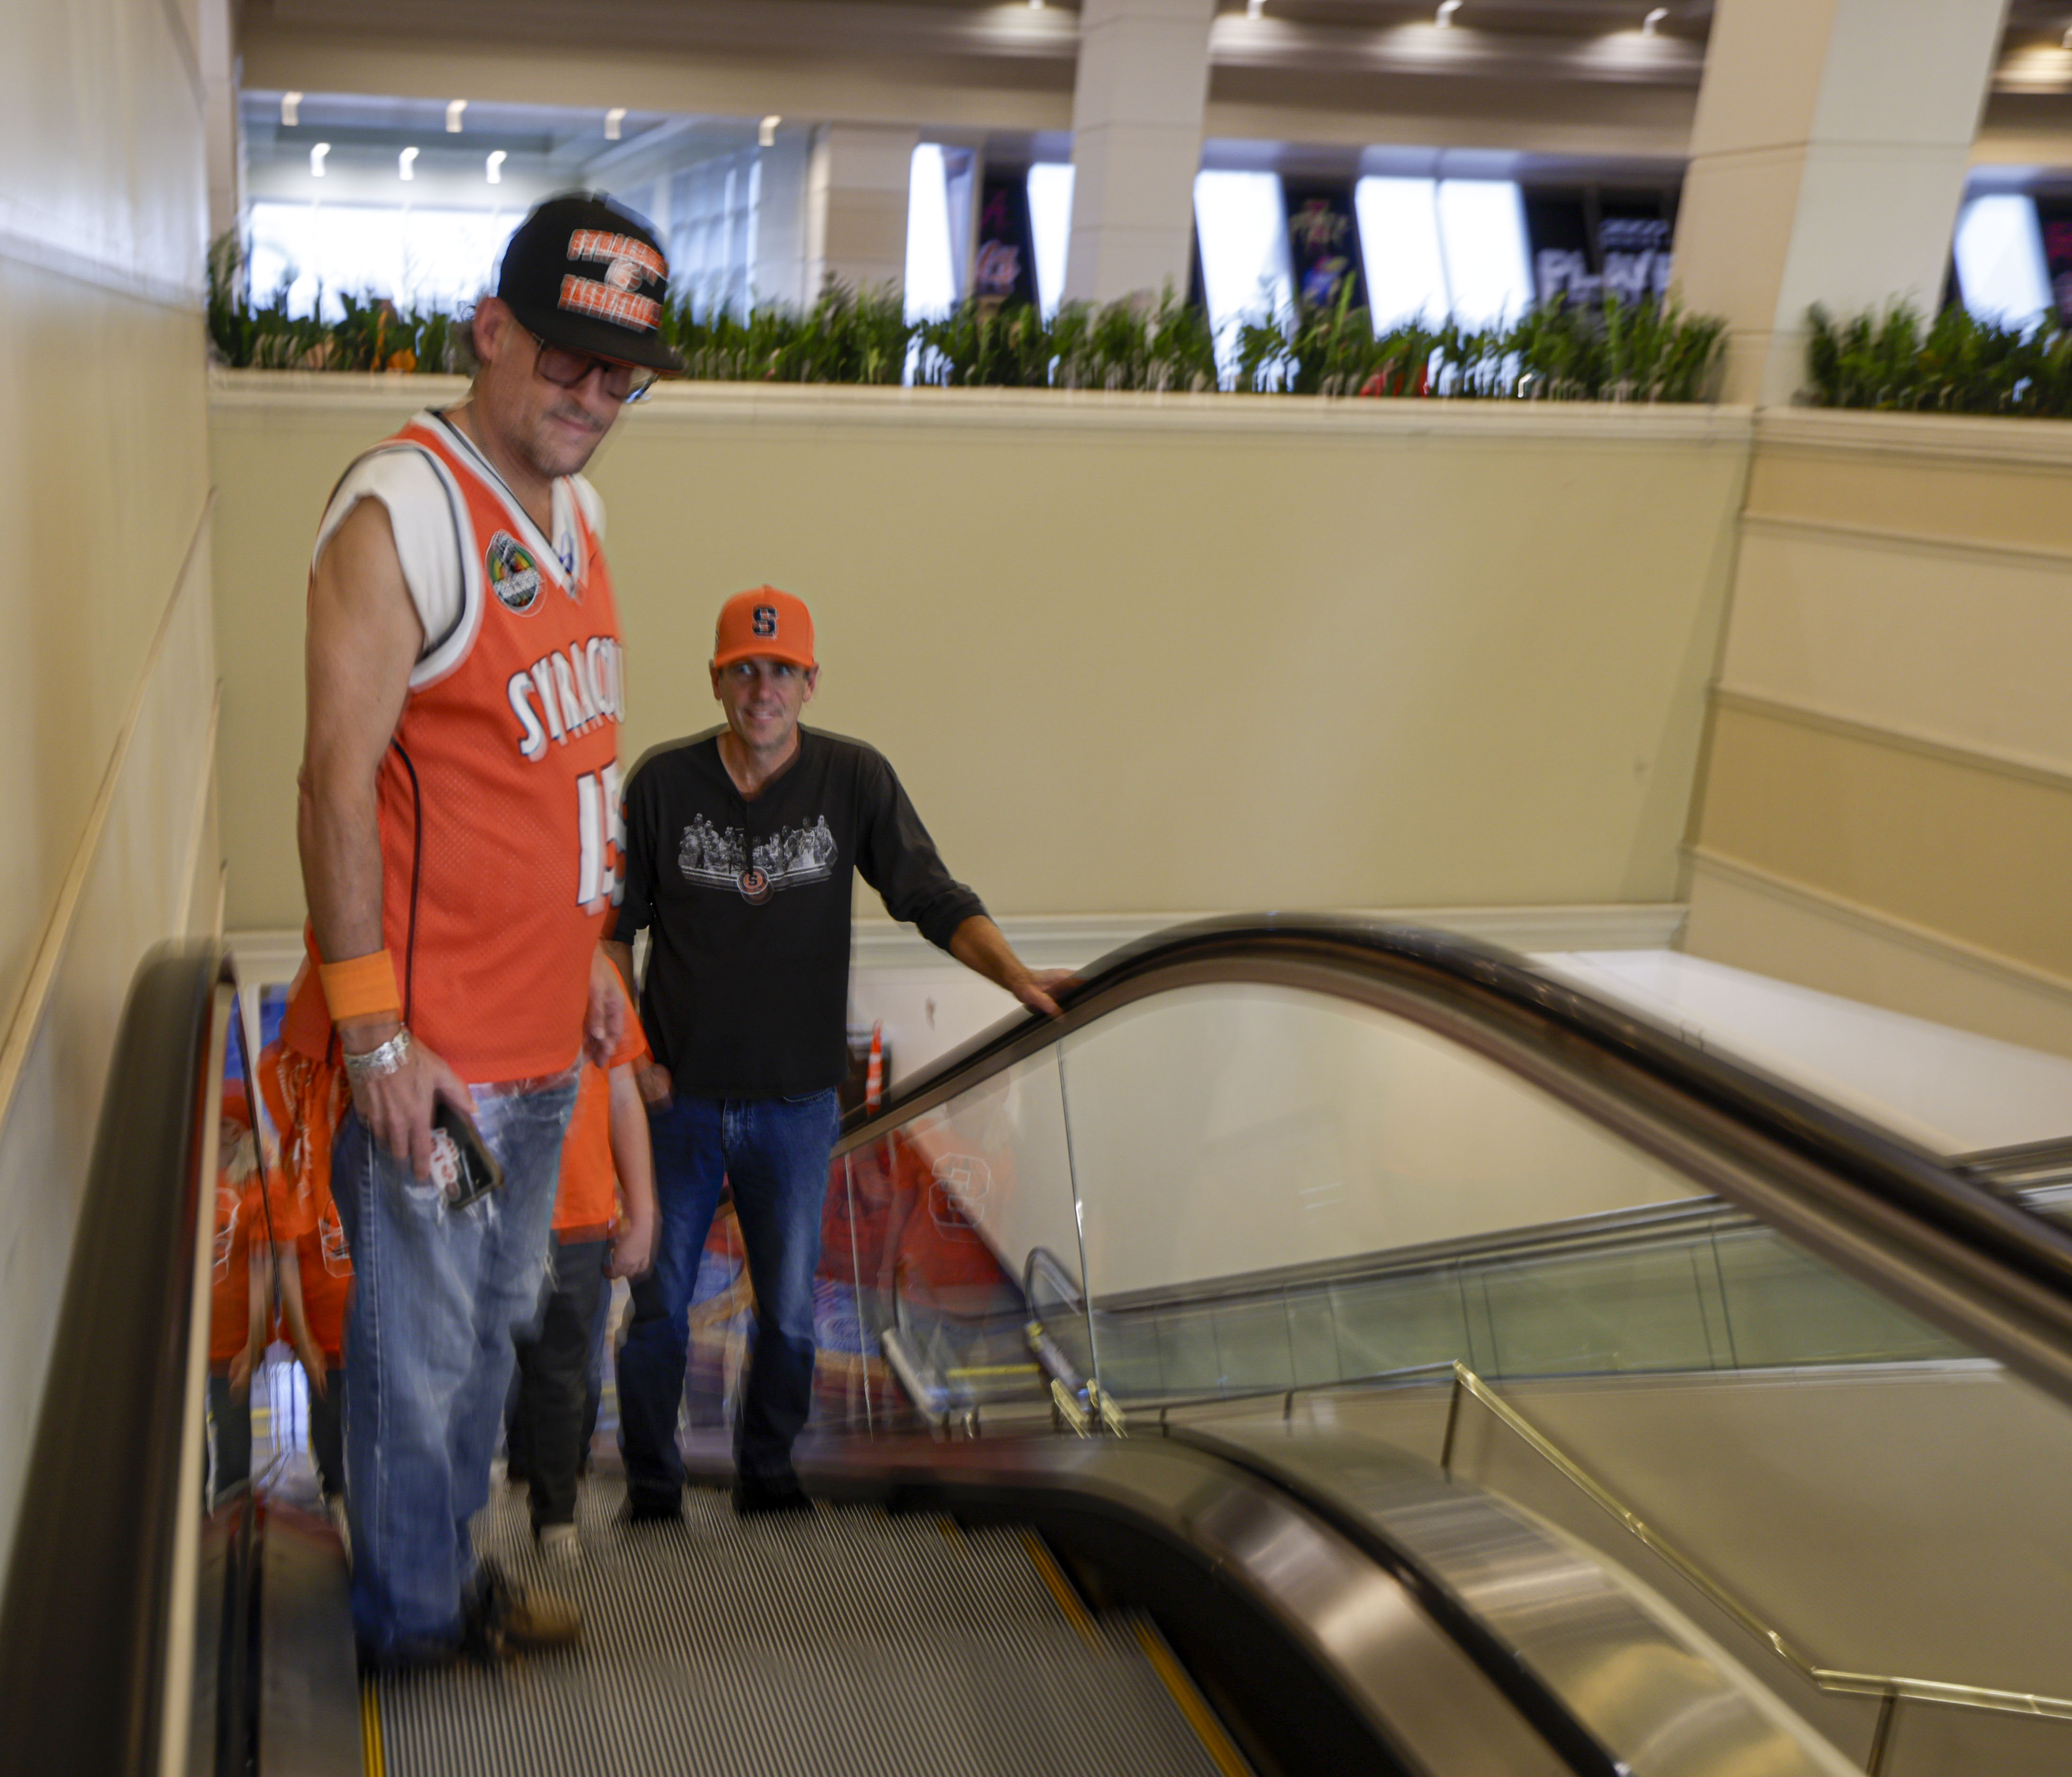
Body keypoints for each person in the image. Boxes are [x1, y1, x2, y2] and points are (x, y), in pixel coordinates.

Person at [282, 190, 678, 1665]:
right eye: (565, 360)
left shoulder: (577, 509)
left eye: (619, 375)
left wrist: (585, 948)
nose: (590, 398)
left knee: (481, 1358)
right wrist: (376, 1032)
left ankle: (447, 1577)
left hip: (541, 1049)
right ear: (491, 331)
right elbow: (329, 787)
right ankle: (409, 1627)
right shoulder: (403, 512)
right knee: (417, 1367)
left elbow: (550, 767)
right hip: (435, 1065)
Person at [609, 587, 1071, 1518]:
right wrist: (633, 1055)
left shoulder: (853, 780)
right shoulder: (661, 785)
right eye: (744, 669)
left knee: (786, 1314)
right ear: (716, 681)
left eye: (780, 671)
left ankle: (767, 1479)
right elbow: (612, 934)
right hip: (678, 1105)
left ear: (810, 684)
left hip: (794, 1109)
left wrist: (1012, 976)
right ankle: (652, 1490)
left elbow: (930, 895)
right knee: (656, 1307)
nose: (762, 688)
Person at [506, 981, 657, 1561]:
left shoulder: (598, 978)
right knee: (472, 1374)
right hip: (486, 1213)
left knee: (563, 1377)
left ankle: (555, 1517)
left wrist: (641, 1212)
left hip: (580, 1212)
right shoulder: (473, 953)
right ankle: (452, 1525)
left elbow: (622, 1092)